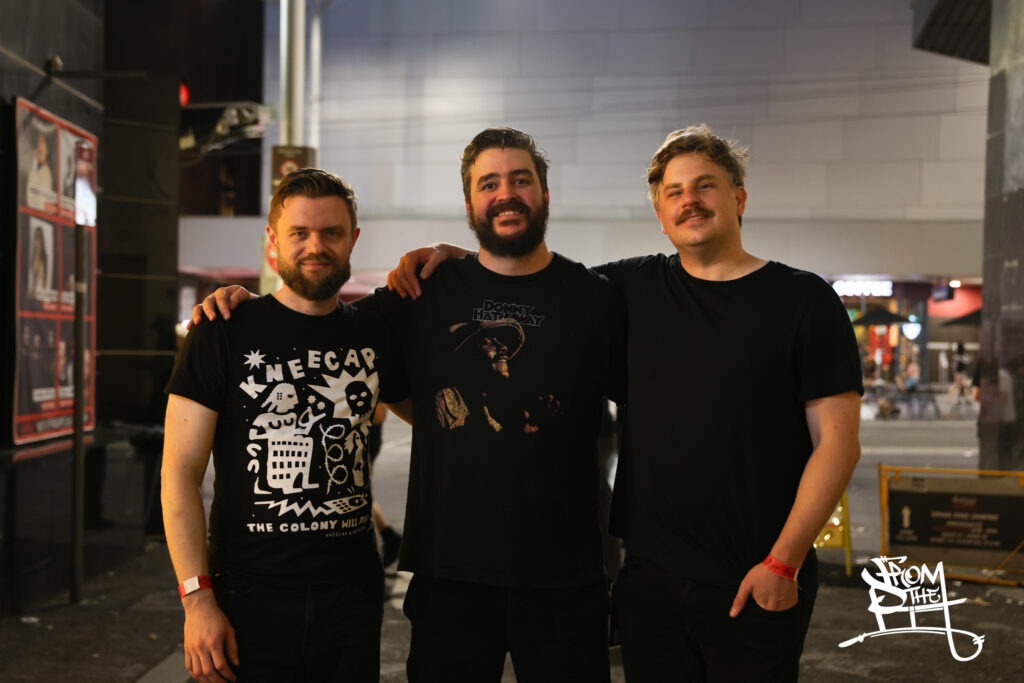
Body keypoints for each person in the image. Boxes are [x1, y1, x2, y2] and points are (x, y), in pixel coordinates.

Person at [390, 124, 862, 681]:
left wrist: (783, 561)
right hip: (650, 582)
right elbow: (525, 277)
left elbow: (838, 445)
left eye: (705, 186)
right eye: (674, 192)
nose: (690, 201)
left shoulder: (803, 300)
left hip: (754, 572)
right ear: (660, 215)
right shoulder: (629, 288)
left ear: (739, 198)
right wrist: (461, 262)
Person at [195, 128, 624, 682]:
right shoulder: (422, 293)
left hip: (566, 580)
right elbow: (316, 314)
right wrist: (250, 310)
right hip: (450, 583)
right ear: (468, 202)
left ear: (544, 191)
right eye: (488, 184)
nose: (506, 194)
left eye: (521, 180)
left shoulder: (595, 296)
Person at [162, 168, 404, 682]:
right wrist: (196, 599)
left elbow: (439, 418)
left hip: (351, 597)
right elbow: (179, 473)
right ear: (273, 240)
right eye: (299, 233)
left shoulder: (374, 331)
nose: (316, 246)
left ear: (353, 239)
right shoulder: (222, 330)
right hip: (247, 595)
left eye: (331, 232)